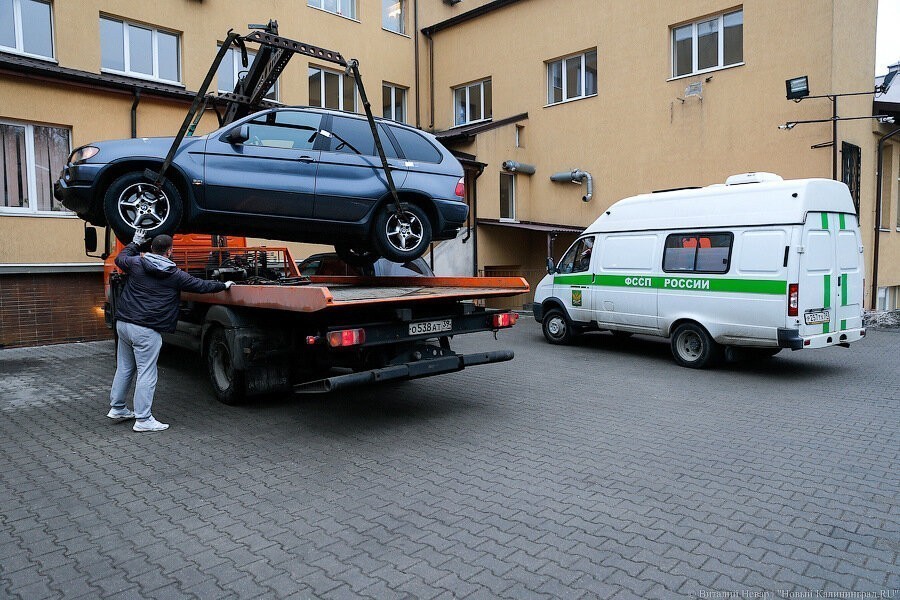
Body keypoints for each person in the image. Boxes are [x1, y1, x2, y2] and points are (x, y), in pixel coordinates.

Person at [107, 229, 234, 432]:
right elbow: (201, 285)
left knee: (125, 367)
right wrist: (224, 284)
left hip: (123, 324)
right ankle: (143, 419)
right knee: (147, 373)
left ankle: (118, 408)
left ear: (152, 248)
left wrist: (135, 243)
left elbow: (121, 258)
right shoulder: (174, 275)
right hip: (146, 330)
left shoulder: (136, 264)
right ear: (169, 252)